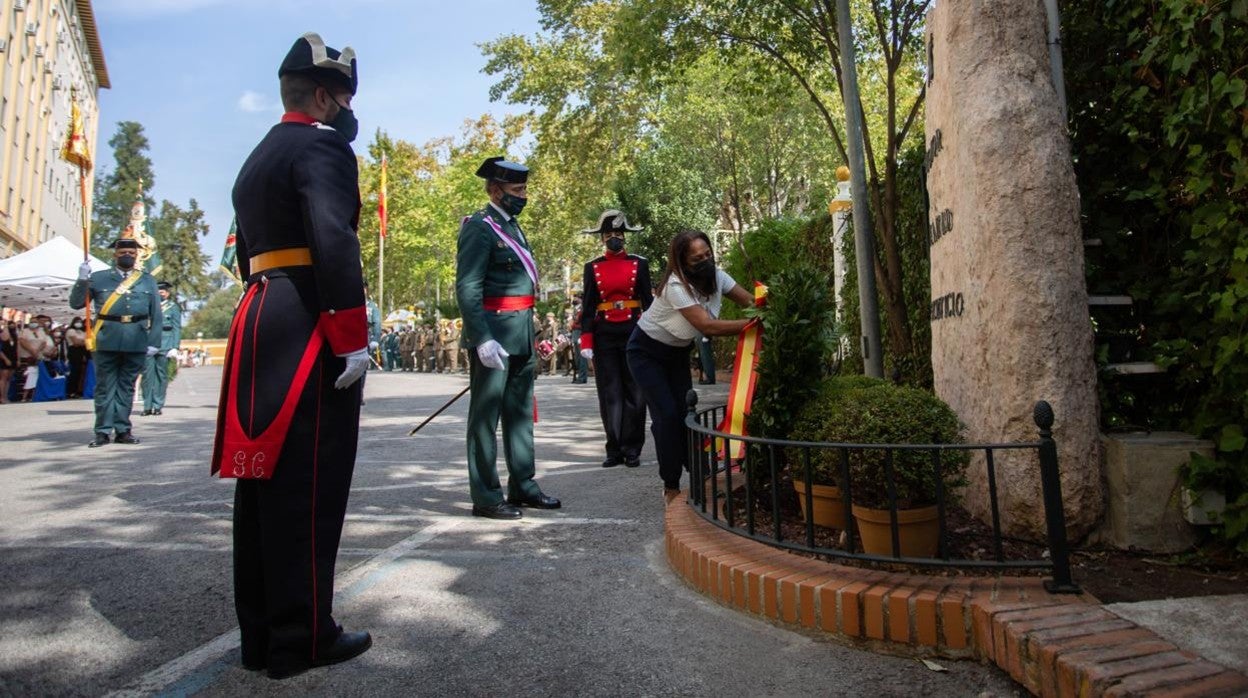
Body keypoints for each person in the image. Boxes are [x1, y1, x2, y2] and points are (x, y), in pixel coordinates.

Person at [210, 32, 372, 679]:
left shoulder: (257, 157)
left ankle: (262, 634)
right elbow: (334, 240)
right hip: (308, 316)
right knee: (310, 483)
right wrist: (352, 335)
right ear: (329, 98)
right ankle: (303, 636)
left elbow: (251, 247)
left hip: (259, 312)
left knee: (263, 487)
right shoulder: (323, 147)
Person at [455, 156, 561, 520]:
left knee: (519, 414)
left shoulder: (512, 228)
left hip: (520, 332)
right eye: (517, 190)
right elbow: (467, 287)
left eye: (525, 189)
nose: (523, 196)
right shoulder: (480, 227)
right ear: (496, 190)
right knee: (485, 418)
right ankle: (485, 495)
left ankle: (523, 485)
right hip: (494, 335)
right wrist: (481, 337)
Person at [626, 229, 754, 502]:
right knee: (668, 417)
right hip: (646, 352)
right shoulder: (675, 286)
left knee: (687, 414)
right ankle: (671, 486)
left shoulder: (719, 277)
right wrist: (754, 325)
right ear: (682, 263)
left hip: (677, 353)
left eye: (708, 254)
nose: (705, 261)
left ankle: (700, 476)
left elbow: (750, 302)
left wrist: (768, 310)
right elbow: (707, 325)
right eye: (697, 259)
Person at [578, 210, 654, 468]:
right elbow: (588, 307)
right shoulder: (592, 267)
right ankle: (614, 448)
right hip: (604, 334)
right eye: (609, 234)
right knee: (609, 393)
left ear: (625, 237)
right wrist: (586, 341)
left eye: (618, 234)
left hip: (634, 330)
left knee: (635, 391)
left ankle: (633, 448)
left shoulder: (639, 263)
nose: (614, 238)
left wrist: (653, 333)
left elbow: (649, 302)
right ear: (602, 239)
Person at [70, 237, 161, 445]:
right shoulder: (99, 278)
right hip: (106, 339)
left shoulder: (147, 280)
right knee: (104, 387)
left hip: (136, 340)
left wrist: (154, 341)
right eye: (123, 253)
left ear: (137, 255)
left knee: (127, 387)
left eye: (131, 252)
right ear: (115, 255)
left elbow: (156, 314)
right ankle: (102, 431)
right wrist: (82, 279)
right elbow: (76, 303)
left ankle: (122, 430)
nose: (127, 255)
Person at [142, 281, 182, 415]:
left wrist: (175, 347)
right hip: (148, 343)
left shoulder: (173, 307)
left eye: (162, 292)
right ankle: (147, 406)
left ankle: (158, 405)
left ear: (167, 293)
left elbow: (176, 327)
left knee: (161, 376)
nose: (160, 295)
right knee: (147, 376)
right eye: (157, 293)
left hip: (165, 344)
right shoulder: (148, 306)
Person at [65, 317, 90, 398]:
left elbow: (88, 342)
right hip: (74, 351)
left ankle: (78, 390)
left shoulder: (83, 332)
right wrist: (83, 342)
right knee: (74, 372)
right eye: (77, 321)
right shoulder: (71, 331)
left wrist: (82, 342)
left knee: (81, 372)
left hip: (82, 352)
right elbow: (75, 342)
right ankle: (70, 391)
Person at [0, 321, 15, 402]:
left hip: (10, 357)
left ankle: (5, 396)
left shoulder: (11, 334)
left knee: (7, 378)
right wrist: (5, 359)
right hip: (4, 359)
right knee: (3, 378)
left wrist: (5, 326)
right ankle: (2, 397)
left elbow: (6, 338)